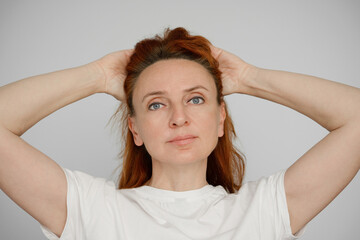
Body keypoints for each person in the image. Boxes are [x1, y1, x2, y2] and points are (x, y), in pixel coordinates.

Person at [0, 27, 359, 240]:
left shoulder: (264, 211)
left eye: (196, 99)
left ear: (221, 119)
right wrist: (98, 75)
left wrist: (250, 78)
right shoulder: (90, 209)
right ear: (135, 128)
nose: (179, 118)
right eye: (156, 104)